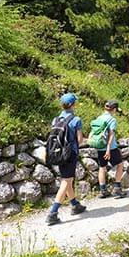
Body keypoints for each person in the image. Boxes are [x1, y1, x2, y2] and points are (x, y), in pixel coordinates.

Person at [47, 93, 87, 225]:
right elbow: (80, 140)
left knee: (67, 178)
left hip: (58, 154)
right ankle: (53, 213)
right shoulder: (76, 120)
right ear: (72, 105)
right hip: (70, 154)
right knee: (66, 181)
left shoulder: (56, 119)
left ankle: (75, 205)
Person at [93, 100, 125, 198]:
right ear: (114, 109)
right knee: (120, 165)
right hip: (110, 148)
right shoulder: (112, 120)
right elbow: (111, 135)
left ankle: (103, 190)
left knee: (102, 167)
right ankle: (117, 188)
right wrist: (108, 149)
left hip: (100, 146)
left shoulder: (99, 118)